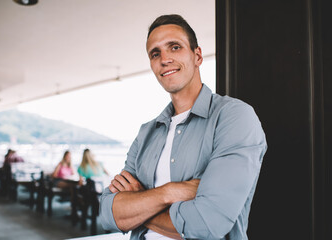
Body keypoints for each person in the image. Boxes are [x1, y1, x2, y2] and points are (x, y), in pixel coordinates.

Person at [100, 14, 267, 240]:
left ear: (197, 55)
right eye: (155, 53)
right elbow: (108, 214)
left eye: (175, 47)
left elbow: (208, 224)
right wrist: (170, 192)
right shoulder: (146, 132)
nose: (164, 59)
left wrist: (139, 203)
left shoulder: (234, 117)